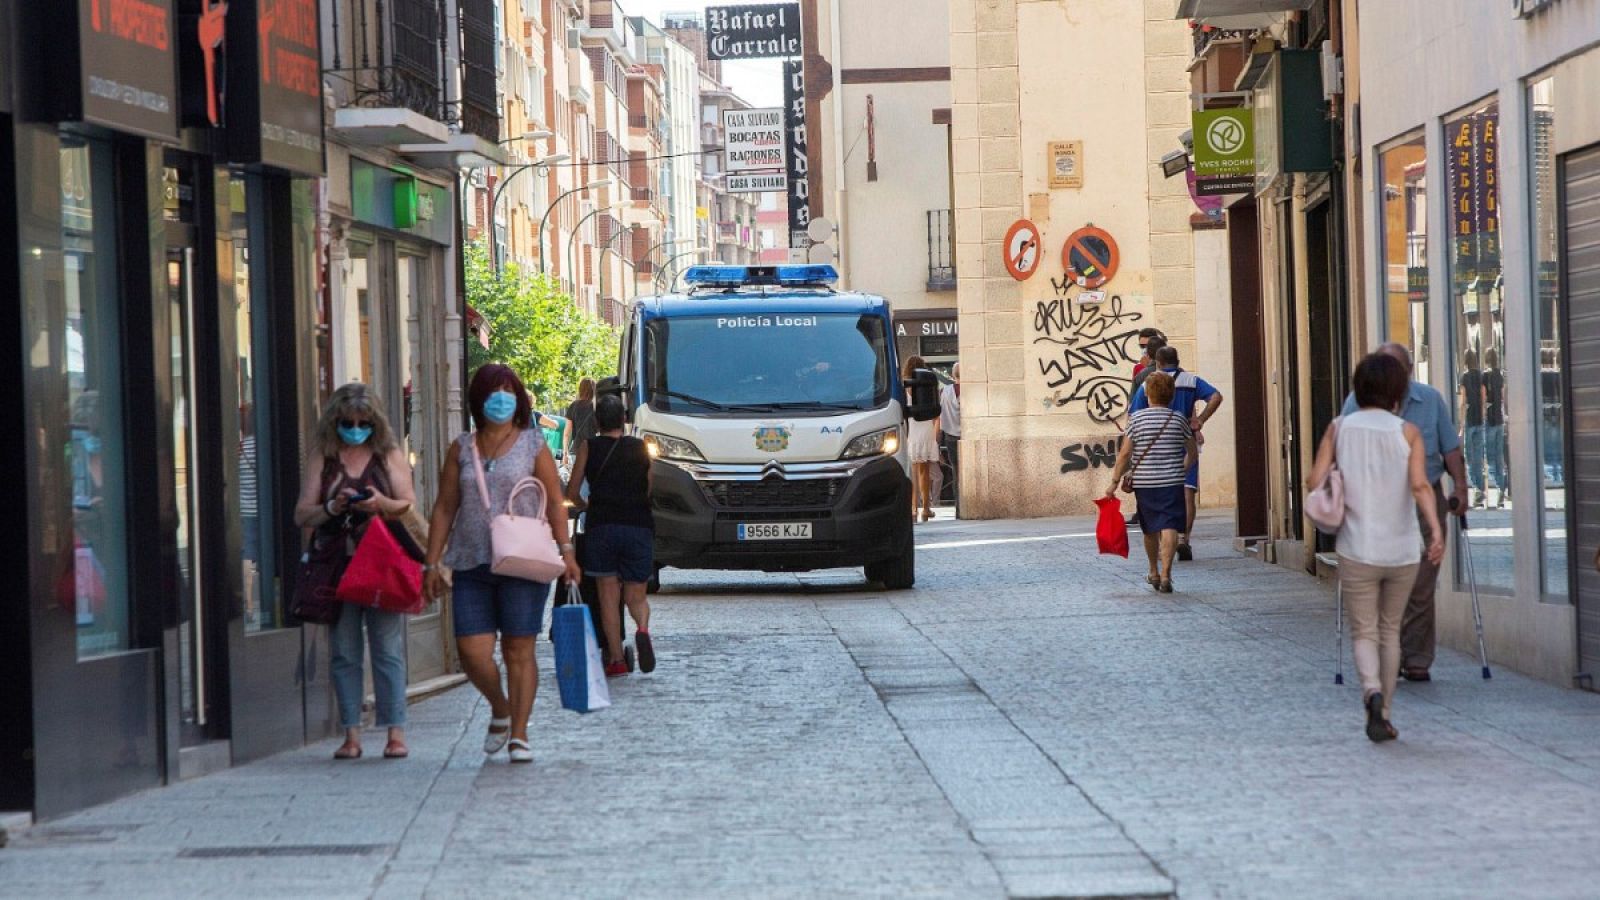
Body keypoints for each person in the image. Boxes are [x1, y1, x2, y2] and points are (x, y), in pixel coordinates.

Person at [423, 365, 582, 765]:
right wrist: (431, 561)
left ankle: (520, 734)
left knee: (518, 648)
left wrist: (567, 552)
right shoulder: (461, 448)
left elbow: (555, 501)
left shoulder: (533, 445)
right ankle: (500, 706)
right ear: (478, 400)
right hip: (471, 560)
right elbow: (444, 507)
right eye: (493, 392)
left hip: (524, 561)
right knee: (472, 651)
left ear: (519, 399)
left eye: (508, 391)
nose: (501, 399)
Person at [1309, 353, 1445, 742]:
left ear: (1359, 388)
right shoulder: (1408, 432)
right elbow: (1420, 486)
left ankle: (1371, 690)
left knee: (1364, 631)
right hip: (1402, 548)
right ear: (1398, 392)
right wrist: (1436, 531)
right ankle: (1384, 714)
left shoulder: (1339, 428)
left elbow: (1314, 480)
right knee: (1390, 629)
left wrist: (1337, 478)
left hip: (1356, 546)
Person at [292, 383, 417, 761]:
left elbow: (408, 505)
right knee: (344, 651)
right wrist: (332, 507)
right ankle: (351, 733)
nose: (356, 429)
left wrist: (380, 503)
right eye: (348, 423)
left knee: (387, 648)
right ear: (335, 422)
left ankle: (395, 732)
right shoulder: (324, 458)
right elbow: (302, 513)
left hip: (381, 564)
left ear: (375, 423)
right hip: (338, 567)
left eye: (364, 423)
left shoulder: (388, 455)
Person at [1341, 342, 1466, 682]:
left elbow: (1450, 449)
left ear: (1409, 372)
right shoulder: (1356, 402)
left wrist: (1461, 488)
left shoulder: (1430, 400)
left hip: (1424, 499)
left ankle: (1417, 659)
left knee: (1421, 585)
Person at [565, 395, 655, 678]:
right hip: (638, 526)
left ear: (596, 421)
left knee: (608, 597)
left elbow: (572, 492)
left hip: (602, 527)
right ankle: (642, 628)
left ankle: (616, 659)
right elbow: (648, 489)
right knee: (636, 596)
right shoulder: (640, 447)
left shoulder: (589, 447)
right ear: (624, 419)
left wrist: (586, 505)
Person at [1129, 345, 1224, 560]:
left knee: (1161, 494)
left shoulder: (1149, 384)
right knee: (1187, 491)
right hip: (1185, 440)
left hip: (1157, 447)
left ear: (1158, 363)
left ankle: (1163, 544)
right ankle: (1183, 539)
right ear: (1177, 360)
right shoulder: (1191, 381)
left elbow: (1134, 415)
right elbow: (1216, 396)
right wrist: (1200, 420)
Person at [1106, 372, 1195, 593]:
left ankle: (1153, 571)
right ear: (1171, 395)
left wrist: (1114, 482)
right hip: (1172, 482)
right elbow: (1192, 453)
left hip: (1145, 484)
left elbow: (1125, 454)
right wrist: (1181, 469)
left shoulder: (1136, 419)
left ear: (1147, 394)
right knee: (1170, 525)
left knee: (1150, 528)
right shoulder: (1179, 419)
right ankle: (1166, 574)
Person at [904, 355, 940, 522]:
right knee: (924, 471)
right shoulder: (927, 385)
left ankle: (913, 508)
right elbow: (935, 411)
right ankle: (926, 508)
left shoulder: (905, 386)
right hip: (925, 427)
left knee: (912, 471)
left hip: (911, 429)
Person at [1459, 350, 1487, 508]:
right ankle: (1480, 489)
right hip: (1479, 420)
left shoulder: (1464, 377)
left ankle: (1476, 489)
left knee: (1469, 457)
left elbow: (1463, 401)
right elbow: (1483, 397)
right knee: (1478, 456)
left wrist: (1461, 423)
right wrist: (1483, 415)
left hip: (1469, 420)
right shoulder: (1481, 375)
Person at [1481, 348, 1508, 509]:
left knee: (1490, 456)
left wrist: (1483, 413)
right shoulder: (1500, 375)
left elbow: (1483, 397)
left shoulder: (1485, 375)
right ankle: (1501, 489)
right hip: (1499, 418)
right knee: (1499, 456)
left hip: (1490, 419)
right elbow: (1503, 397)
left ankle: (1497, 486)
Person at [939, 363, 962, 516]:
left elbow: (940, 416)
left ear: (953, 375)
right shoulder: (969, 390)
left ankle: (959, 507)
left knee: (956, 471)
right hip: (967, 435)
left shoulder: (944, 392)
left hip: (950, 436)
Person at [565, 378, 599, 450]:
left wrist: (565, 451)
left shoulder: (573, 406)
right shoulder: (596, 406)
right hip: (593, 446)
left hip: (578, 447)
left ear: (580, 389)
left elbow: (566, 434)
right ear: (594, 391)